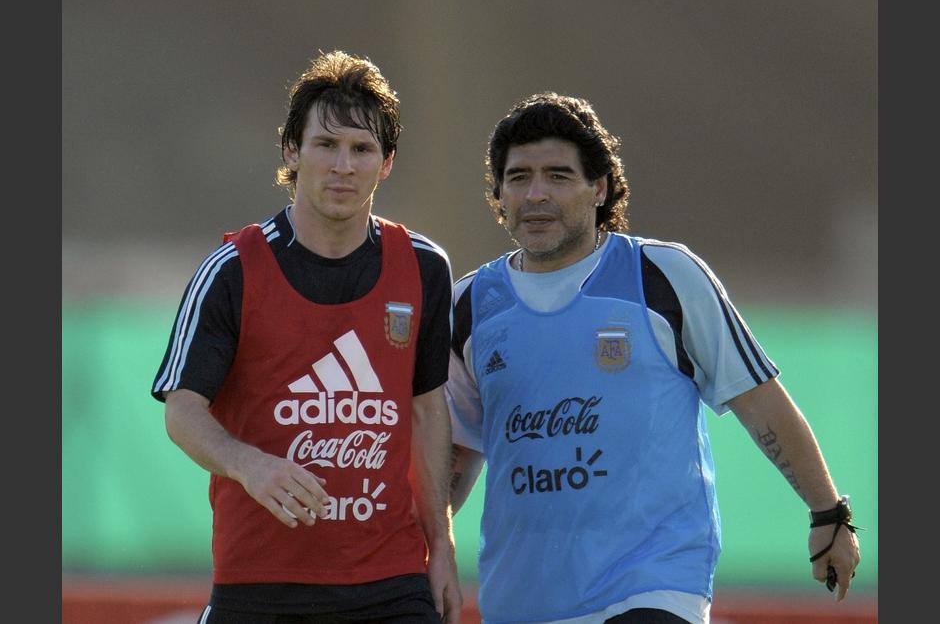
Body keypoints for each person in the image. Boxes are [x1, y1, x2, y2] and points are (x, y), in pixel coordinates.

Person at [445, 92, 861, 624]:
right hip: (522, 600)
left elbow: (763, 404)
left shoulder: (662, 277)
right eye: (519, 177)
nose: (536, 194)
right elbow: (455, 452)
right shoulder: (470, 304)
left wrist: (828, 512)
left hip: (654, 588)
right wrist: (418, 550)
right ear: (499, 193)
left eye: (558, 175)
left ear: (599, 187)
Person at [151, 50, 461, 623]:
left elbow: (425, 411)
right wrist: (251, 465)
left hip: (391, 583)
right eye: (326, 144)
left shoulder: (423, 267)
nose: (343, 165)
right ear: (292, 152)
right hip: (259, 585)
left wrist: (440, 546)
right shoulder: (232, 269)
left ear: (386, 163)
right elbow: (182, 410)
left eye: (362, 149)